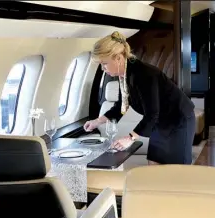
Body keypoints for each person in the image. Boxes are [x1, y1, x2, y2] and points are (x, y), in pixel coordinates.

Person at [84, 31, 196, 165]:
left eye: (104, 63)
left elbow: (152, 114)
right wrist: (97, 121)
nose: (103, 69)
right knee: (153, 162)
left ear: (118, 58)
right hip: (160, 122)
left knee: (175, 169)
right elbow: (121, 106)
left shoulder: (144, 75)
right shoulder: (124, 75)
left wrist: (129, 138)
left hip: (178, 120)